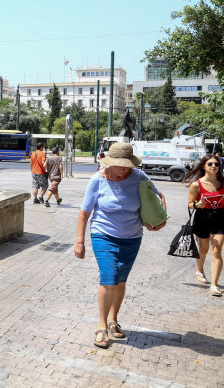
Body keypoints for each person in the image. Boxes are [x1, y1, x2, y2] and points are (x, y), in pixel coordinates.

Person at [74, 142, 166, 349]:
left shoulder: (140, 178)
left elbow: (158, 198)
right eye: (119, 165)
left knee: (121, 279)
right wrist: (79, 242)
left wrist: (159, 220)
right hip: (103, 234)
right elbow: (84, 213)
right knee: (110, 276)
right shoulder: (97, 180)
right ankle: (101, 326)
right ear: (110, 162)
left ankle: (114, 320)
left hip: (132, 238)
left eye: (127, 165)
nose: (124, 169)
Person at [183, 154, 224, 297]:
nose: (214, 167)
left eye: (216, 164)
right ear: (204, 166)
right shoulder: (196, 185)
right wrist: (198, 205)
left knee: (216, 252)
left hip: (220, 220)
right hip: (203, 219)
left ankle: (214, 285)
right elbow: (190, 204)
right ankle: (199, 270)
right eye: (210, 164)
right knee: (203, 250)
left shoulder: (222, 182)